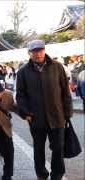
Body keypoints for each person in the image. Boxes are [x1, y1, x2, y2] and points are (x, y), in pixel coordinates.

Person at [16, 40, 73, 180]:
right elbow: (20, 95)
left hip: (57, 116)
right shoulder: (23, 72)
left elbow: (66, 91)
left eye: (40, 50)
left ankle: (57, 175)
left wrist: (68, 113)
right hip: (36, 118)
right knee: (39, 149)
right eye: (34, 51)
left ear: (44, 50)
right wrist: (26, 113)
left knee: (58, 148)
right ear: (29, 53)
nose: (38, 53)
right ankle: (41, 174)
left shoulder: (57, 67)